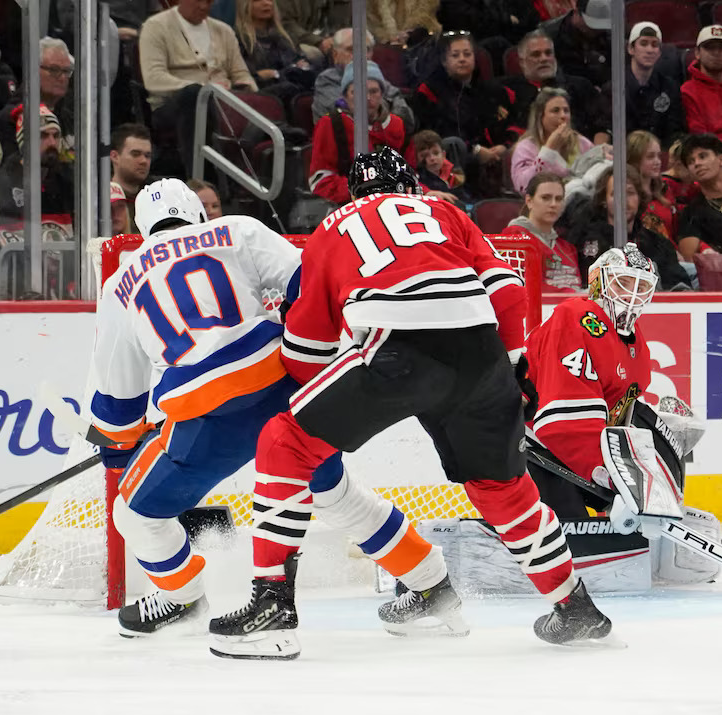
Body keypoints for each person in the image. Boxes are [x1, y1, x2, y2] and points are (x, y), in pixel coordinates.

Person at [209, 147, 612, 658]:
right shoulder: (445, 212)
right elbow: (508, 292)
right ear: (411, 187)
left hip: (400, 350)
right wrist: (512, 369)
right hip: (483, 352)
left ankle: (272, 607)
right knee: (502, 489)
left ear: (356, 193)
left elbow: (306, 344)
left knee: (283, 442)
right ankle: (574, 608)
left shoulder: (332, 227)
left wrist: (316, 412)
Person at [87, 178, 347, 639]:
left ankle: (181, 598)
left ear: (143, 229)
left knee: (134, 513)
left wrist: (121, 445)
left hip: (204, 419)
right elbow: (311, 278)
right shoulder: (237, 229)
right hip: (280, 388)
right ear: (198, 214)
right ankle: (430, 583)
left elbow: (118, 403)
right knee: (337, 493)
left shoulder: (119, 284)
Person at [524, 243, 656, 519]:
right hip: (529, 444)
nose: (633, 294)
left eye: (641, 286)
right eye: (624, 282)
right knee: (567, 533)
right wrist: (607, 473)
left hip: (572, 453)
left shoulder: (636, 342)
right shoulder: (574, 317)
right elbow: (562, 423)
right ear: (600, 282)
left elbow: (621, 414)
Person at [139, 0, 256, 175]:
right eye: (198, 1)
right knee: (194, 96)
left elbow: (241, 73)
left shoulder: (224, 30)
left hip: (225, 97)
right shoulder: (155, 26)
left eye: (208, 2)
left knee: (285, 90)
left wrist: (250, 90)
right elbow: (153, 79)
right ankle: (200, 178)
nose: (203, 7)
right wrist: (205, 89)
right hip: (174, 103)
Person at [411, 31, 519, 194]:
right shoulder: (430, 91)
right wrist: (474, 150)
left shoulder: (492, 91)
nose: (462, 59)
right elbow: (433, 131)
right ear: (444, 61)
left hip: (493, 155)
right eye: (455, 55)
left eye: (467, 54)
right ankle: (459, 194)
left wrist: (503, 147)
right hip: (453, 154)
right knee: (453, 143)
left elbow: (510, 124)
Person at [568, 165, 691, 290]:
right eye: (615, 194)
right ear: (603, 200)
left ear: (640, 198)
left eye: (630, 193)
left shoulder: (657, 244)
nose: (623, 201)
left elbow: (679, 289)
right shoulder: (583, 240)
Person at [308, 61, 405, 204]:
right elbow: (320, 181)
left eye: (373, 91)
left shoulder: (396, 124)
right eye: (358, 92)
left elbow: (408, 172)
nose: (366, 98)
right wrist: (361, 189)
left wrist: (426, 191)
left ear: (382, 94)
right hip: (348, 207)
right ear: (345, 96)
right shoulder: (331, 124)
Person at [502, 30, 604, 143]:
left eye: (548, 53)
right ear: (522, 62)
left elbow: (602, 125)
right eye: (536, 54)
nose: (544, 59)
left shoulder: (580, 86)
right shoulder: (508, 91)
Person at [311, 28, 415, 134]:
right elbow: (350, 115)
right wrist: (386, 109)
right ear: (335, 55)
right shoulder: (326, 80)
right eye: (351, 49)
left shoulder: (377, 79)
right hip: (342, 144)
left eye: (366, 49)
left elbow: (406, 117)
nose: (360, 55)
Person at [0, 37, 75, 163]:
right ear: (33, 70)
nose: (62, 78)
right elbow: (12, 171)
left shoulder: (72, 119)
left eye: (66, 71)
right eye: (54, 70)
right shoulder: (11, 118)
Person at [500, 172, 581, 292]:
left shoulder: (567, 248)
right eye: (545, 198)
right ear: (529, 201)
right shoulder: (514, 238)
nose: (553, 204)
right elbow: (524, 287)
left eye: (558, 199)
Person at [0, 104, 73, 222]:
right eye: (43, 136)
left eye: (55, 136)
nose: (52, 143)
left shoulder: (66, 181)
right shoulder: (4, 185)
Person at [509, 87, 595, 195]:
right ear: (540, 116)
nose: (563, 116)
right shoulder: (525, 147)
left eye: (566, 110)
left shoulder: (582, 143)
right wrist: (549, 150)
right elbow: (523, 186)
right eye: (555, 111)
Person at [616, 22, 685, 150]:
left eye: (655, 45)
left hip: (660, 153)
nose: (649, 50)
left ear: (659, 52)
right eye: (643, 43)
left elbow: (674, 131)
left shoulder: (669, 87)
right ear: (631, 49)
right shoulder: (615, 86)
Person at [234, 0, 315, 104]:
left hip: (291, 90)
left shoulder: (283, 37)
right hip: (259, 95)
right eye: (257, 0)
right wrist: (287, 71)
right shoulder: (239, 39)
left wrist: (274, 73)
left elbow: (304, 67)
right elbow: (249, 79)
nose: (267, 3)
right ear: (245, 5)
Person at [540, 0, 612, 91]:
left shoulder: (607, 34)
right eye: (591, 24)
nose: (596, 29)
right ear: (576, 12)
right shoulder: (549, 35)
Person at [628, 130, 676, 243]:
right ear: (635, 159)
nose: (658, 162)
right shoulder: (627, 194)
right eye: (650, 157)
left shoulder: (665, 190)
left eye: (658, 156)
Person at [109, 123, 154, 227]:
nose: (143, 161)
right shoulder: (98, 200)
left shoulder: (155, 200)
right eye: (135, 154)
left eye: (147, 155)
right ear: (115, 156)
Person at [367, 0, 441, 46]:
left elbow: (425, 15)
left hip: (419, 38)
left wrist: (407, 34)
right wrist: (391, 36)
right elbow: (372, 20)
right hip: (382, 42)